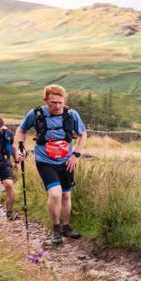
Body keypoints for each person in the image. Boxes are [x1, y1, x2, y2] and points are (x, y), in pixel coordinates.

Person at [15, 84, 87, 246]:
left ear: (64, 101)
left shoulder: (71, 114)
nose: (57, 106)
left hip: (66, 161)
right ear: (46, 100)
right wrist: (21, 146)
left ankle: (66, 227)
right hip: (45, 161)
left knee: (66, 195)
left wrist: (75, 154)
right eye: (53, 102)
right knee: (55, 194)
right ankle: (56, 228)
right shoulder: (36, 114)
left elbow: (83, 134)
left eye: (60, 102)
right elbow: (21, 130)